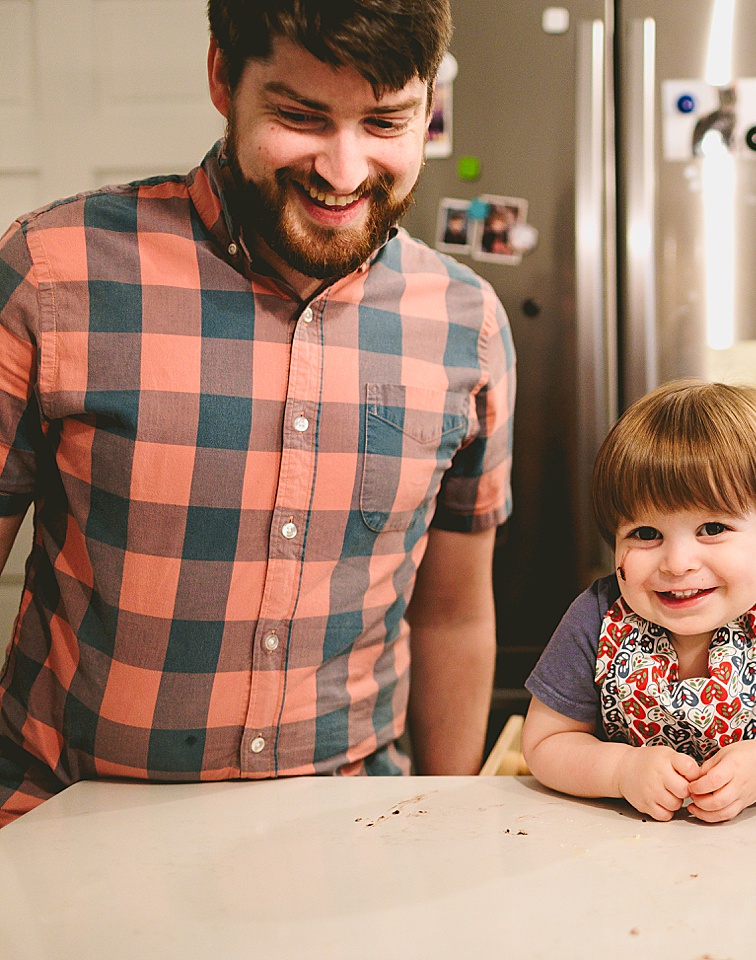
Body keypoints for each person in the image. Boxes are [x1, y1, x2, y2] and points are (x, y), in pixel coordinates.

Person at [0, 0, 515, 825]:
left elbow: (452, 616)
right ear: (222, 77)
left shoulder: (469, 324)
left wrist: (446, 826)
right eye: (300, 116)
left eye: (387, 123)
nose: (345, 172)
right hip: (69, 824)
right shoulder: (54, 275)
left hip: (351, 835)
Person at [521, 381, 756, 822]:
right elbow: (545, 743)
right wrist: (620, 771)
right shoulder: (595, 617)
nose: (677, 563)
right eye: (646, 534)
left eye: (712, 528)